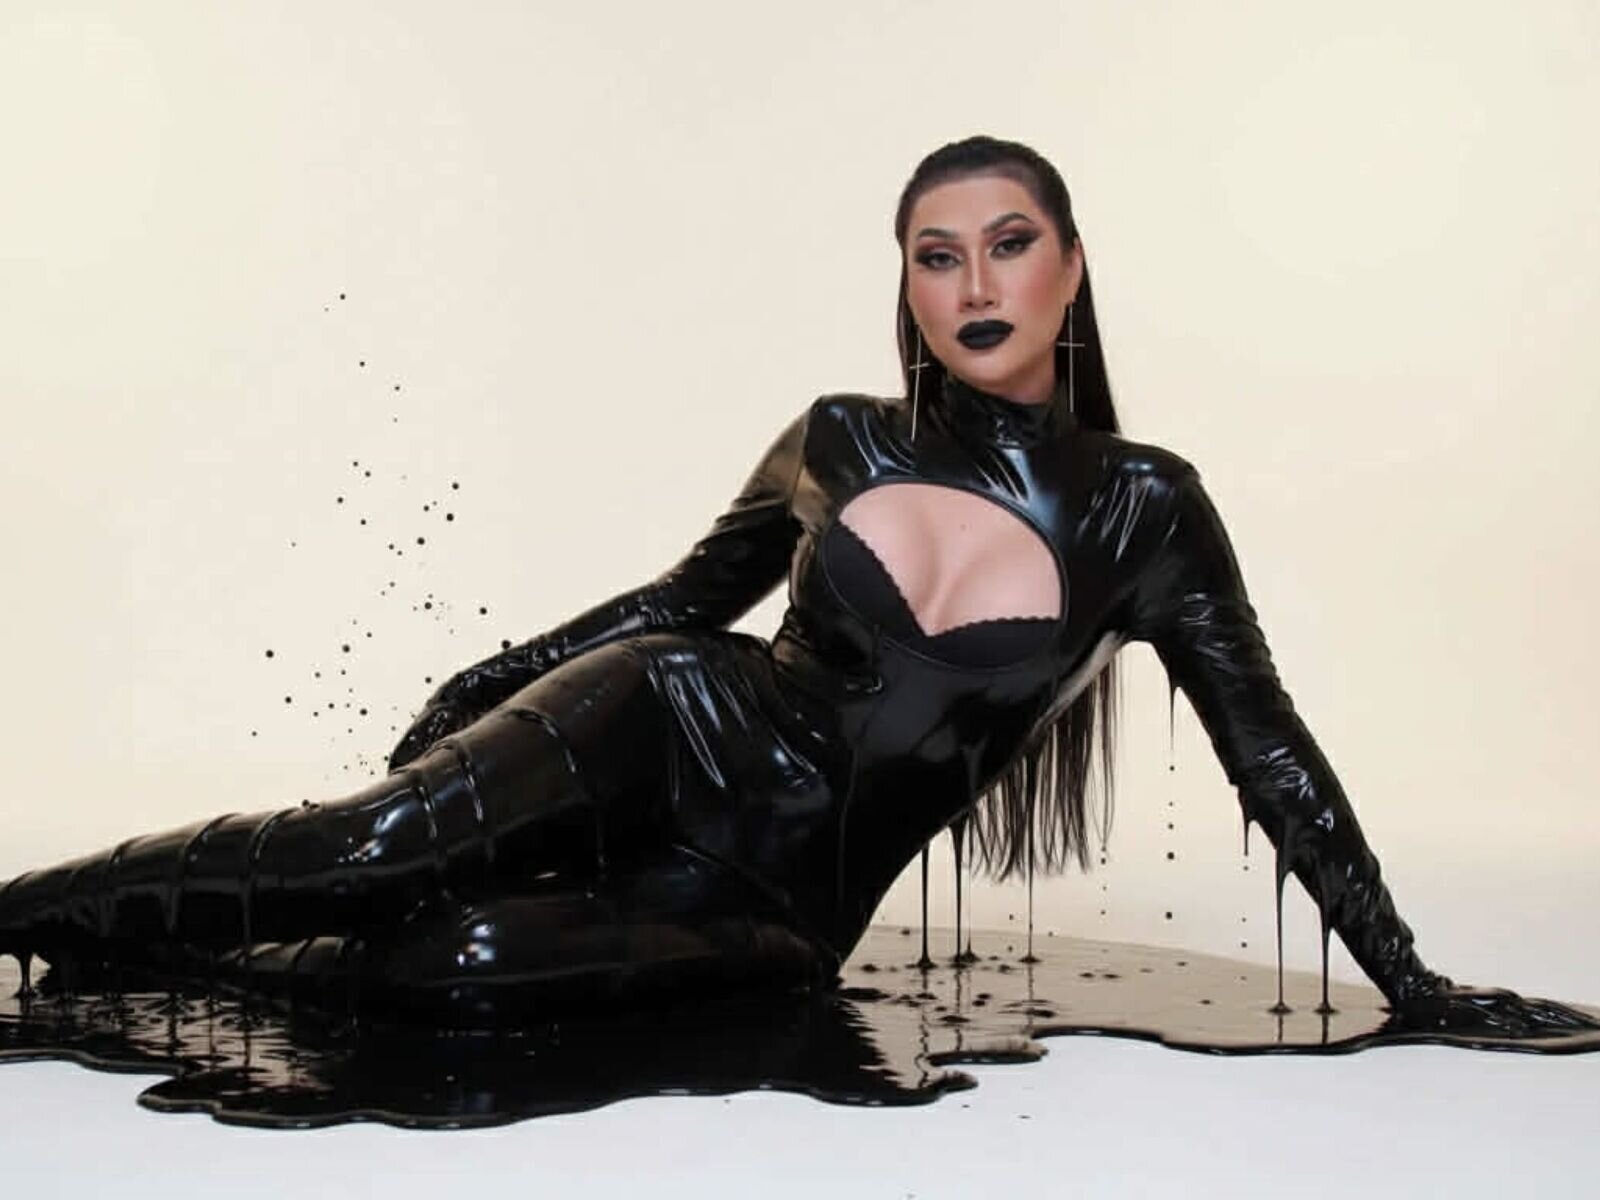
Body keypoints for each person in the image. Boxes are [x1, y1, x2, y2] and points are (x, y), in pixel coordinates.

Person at [1, 135, 1592, 1037]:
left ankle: (136, 959)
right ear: (907, 283)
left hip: (778, 909)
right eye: (937, 255)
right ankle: (23, 923)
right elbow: (676, 606)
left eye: (1009, 244)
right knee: (370, 848)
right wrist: (489, 681)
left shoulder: (1145, 511)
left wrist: (1411, 979)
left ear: (1070, 265)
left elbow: (1272, 752)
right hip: (671, 719)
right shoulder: (839, 437)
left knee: (446, 967)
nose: (975, 283)